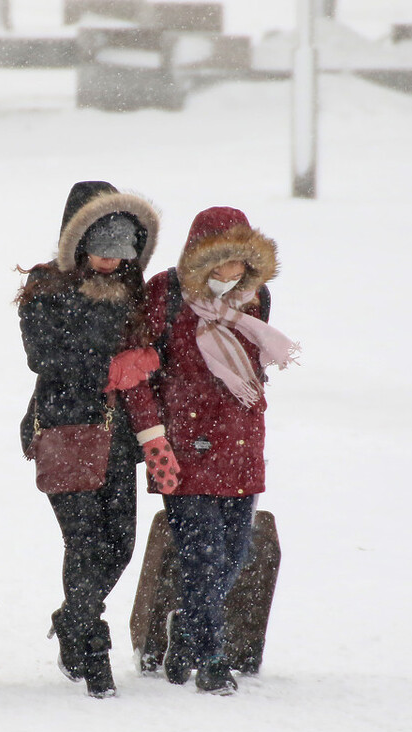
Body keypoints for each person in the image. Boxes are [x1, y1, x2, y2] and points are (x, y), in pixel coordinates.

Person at [122, 206, 299, 695]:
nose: (230, 274)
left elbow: (252, 368)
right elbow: (137, 371)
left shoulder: (256, 297)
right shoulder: (166, 292)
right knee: (202, 556)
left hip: (241, 442)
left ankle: (185, 636)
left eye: (239, 262)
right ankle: (211, 657)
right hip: (181, 443)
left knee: (234, 554)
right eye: (220, 263)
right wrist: (151, 435)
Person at [17, 180, 161, 698]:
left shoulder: (135, 290)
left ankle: (72, 616)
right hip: (64, 430)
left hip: (118, 438)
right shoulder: (46, 288)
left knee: (119, 546)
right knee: (84, 543)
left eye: (119, 252)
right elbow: (44, 358)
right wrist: (111, 365)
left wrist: (144, 363)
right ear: (75, 242)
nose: (108, 262)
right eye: (99, 251)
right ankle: (93, 649)